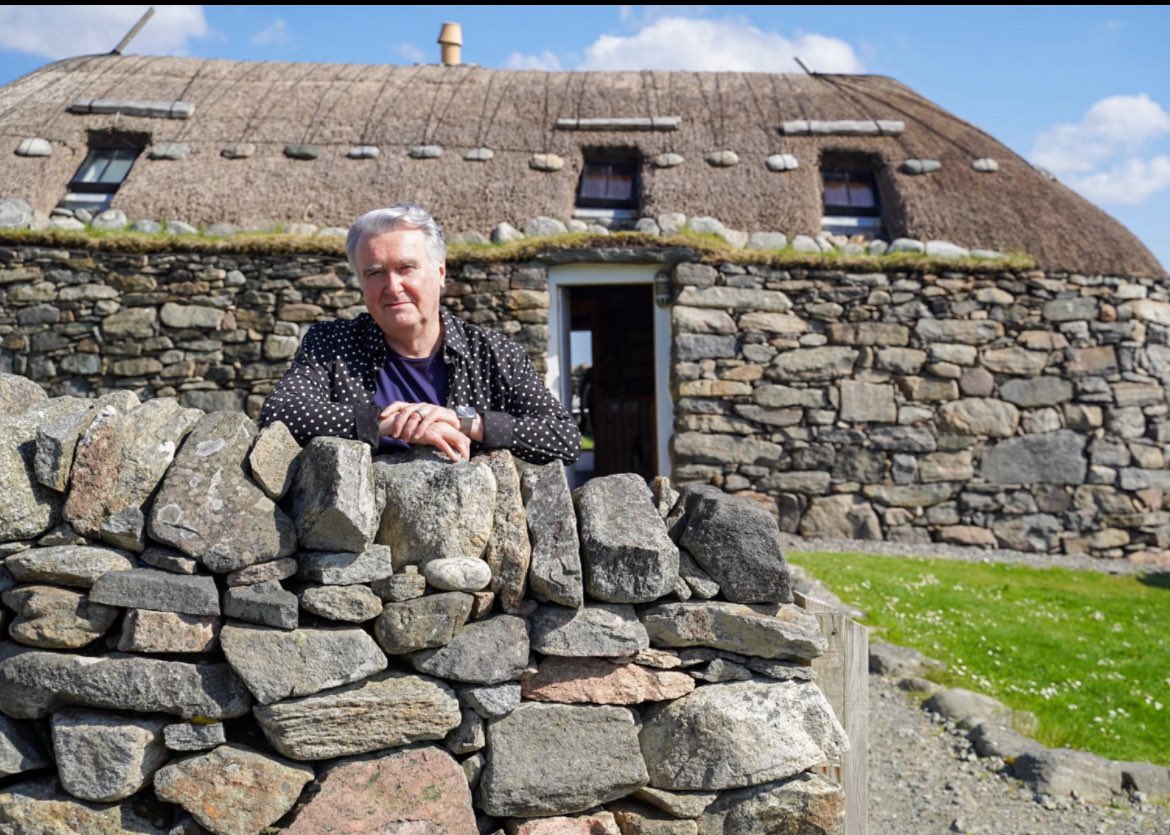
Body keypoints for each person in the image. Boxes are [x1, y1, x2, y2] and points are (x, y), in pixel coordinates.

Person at [259, 203, 580, 465]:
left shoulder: (494, 354)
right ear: (360, 281)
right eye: (374, 273)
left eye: (406, 268)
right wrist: (383, 422)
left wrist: (465, 421)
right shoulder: (331, 345)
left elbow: (564, 438)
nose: (392, 287)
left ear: (440, 273)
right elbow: (279, 412)